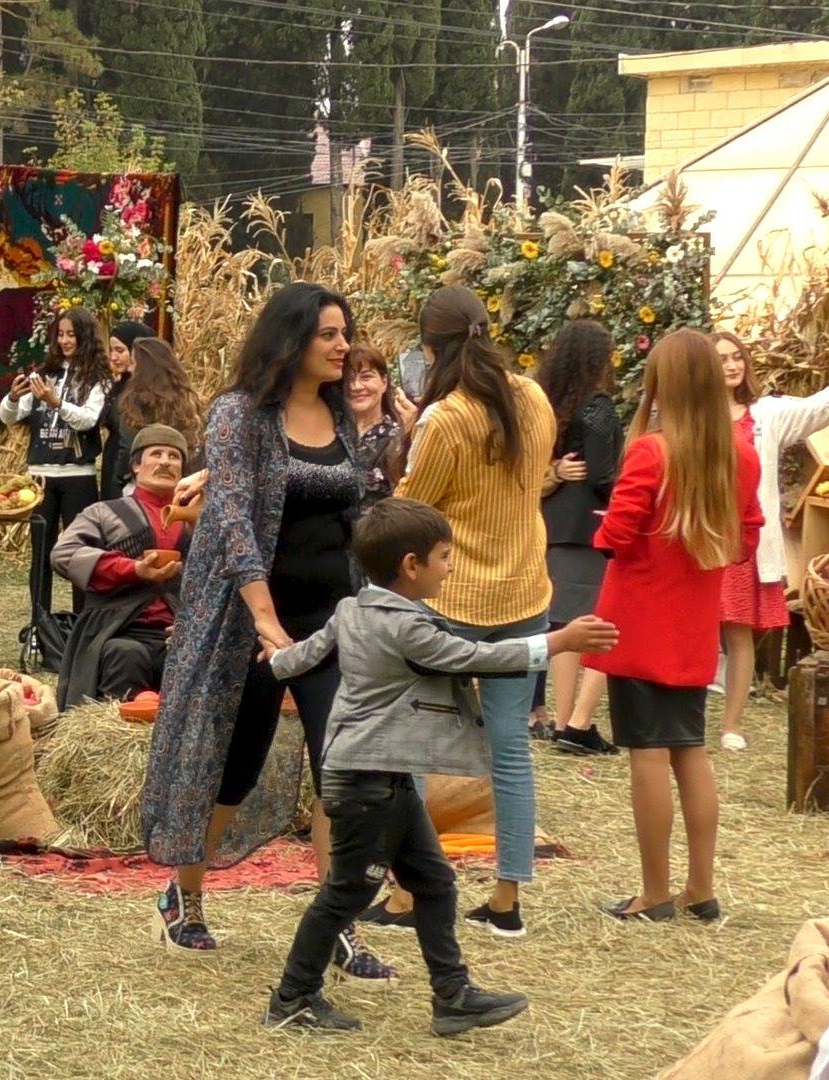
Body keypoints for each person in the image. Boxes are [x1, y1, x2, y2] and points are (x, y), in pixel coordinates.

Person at [261, 497, 617, 1033]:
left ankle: (452, 996)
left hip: (381, 776)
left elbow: (305, 654)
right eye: (445, 556)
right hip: (368, 780)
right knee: (347, 892)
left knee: (433, 881)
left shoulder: (351, 609)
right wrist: (555, 642)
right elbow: (474, 658)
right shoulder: (409, 629)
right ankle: (293, 998)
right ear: (411, 565)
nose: (451, 567)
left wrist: (274, 658)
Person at [143, 283, 394, 983]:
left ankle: (337, 923)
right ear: (292, 339)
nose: (344, 347)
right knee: (236, 765)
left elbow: (352, 511)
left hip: (330, 620)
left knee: (341, 769)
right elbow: (232, 520)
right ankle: (184, 896)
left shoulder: (339, 413)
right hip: (247, 623)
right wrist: (262, 616)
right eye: (329, 335)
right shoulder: (239, 414)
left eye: (345, 333)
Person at [370, 285, 557, 939]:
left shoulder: (445, 419)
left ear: (430, 350)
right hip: (524, 592)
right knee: (510, 750)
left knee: (414, 751)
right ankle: (507, 900)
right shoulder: (532, 397)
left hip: (451, 599)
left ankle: (407, 894)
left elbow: (410, 511)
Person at [588, 329, 763, 923]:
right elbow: (747, 537)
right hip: (693, 622)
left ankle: (655, 891)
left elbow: (618, 533)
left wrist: (605, 533)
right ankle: (701, 888)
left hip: (639, 621)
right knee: (690, 749)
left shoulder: (652, 451)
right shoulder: (739, 455)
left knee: (648, 752)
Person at [715, 331, 829, 751]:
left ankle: (731, 725)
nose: (732, 366)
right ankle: (680, 710)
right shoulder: (694, 414)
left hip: (744, 542)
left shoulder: (766, 414)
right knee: (692, 626)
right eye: (721, 359)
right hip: (702, 539)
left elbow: (813, 409)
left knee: (738, 633)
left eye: (737, 357)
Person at [50, 424, 190, 709]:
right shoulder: (103, 513)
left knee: (188, 659)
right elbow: (63, 554)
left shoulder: (197, 521)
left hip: (179, 629)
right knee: (126, 654)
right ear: (136, 466)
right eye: (156, 454)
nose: (165, 462)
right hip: (119, 629)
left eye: (174, 456)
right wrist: (133, 569)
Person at [534, 320, 622, 755]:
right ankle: (571, 722)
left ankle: (563, 717)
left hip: (553, 521)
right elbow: (603, 473)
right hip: (588, 526)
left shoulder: (547, 404)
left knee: (564, 622)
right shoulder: (597, 407)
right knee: (585, 622)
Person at [0, 307, 111, 615]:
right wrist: (12, 398)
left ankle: (80, 624)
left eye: (71, 335)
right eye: (60, 334)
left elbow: (88, 420)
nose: (65, 341)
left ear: (84, 337)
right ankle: (39, 623)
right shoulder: (44, 374)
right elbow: (9, 416)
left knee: (81, 553)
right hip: (40, 475)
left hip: (78, 475)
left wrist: (56, 403)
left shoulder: (96, 378)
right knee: (41, 553)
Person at [114, 338, 205, 483]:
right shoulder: (189, 399)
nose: (130, 369)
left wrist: (120, 477)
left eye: (133, 363)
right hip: (182, 478)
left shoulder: (134, 401)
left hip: (144, 480)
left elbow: (128, 446)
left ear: (144, 368)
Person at [342, 343, 415, 510]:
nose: (356, 386)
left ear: (384, 382)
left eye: (366, 377)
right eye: (348, 379)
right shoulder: (329, 433)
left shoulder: (399, 436)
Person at [99, 320, 147, 496]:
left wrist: (121, 476)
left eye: (120, 351)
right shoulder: (121, 385)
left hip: (127, 472)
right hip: (113, 464)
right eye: (111, 350)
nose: (113, 357)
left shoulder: (145, 391)